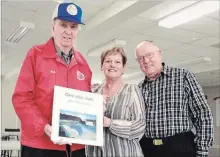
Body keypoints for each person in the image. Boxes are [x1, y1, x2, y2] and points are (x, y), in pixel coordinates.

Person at [12, 2, 91, 157]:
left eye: (73, 26)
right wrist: (45, 127)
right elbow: (21, 98)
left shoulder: (83, 65)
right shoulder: (35, 55)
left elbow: (85, 103)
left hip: (76, 148)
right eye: (63, 24)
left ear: (78, 31)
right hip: (39, 146)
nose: (68, 31)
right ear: (53, 27)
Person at [135, 40, 214, 157]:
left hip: (180, 147)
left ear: (159, 53)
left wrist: (202, 150)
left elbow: (202, 113)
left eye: (149, 55)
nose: (146, 61)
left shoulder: (183, 76)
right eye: (140, 58)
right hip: (147, 148)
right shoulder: (140, 87)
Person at [86, 47, 146, 157]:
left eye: (117, 62)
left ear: (123, 68)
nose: (112, 65)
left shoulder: (132, 90)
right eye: (108, 61)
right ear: (101, 66)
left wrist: (110, 123)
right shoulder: (93, 93)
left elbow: (140, 126)